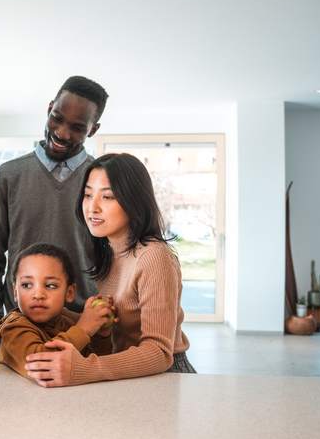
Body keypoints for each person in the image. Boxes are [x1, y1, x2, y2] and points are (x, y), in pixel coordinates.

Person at [24, 153, 195, 387]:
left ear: (133, 201)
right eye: (87, 195)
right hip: (130, 370)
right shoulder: (109, 251)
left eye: (107, 196)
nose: (92, 207)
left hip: (164, 376)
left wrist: (82, 369)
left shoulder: (154, 256)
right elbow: (116, 324)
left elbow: (159, 353)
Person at [0, 76, 108, 328]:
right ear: (50, 108)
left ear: (93, 130)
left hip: (85, 325)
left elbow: (114, 259)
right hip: (19, 322)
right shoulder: (9, 175)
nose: (62, 133)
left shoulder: (102, 179)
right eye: (57, 118)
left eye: (77, 127)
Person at [0, 243, 114, 378]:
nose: (38, 294)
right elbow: (41, 364)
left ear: (69, 293)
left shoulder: (67, 322)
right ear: (15, 292)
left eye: (51, 285)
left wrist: (101, 334)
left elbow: (93, 362)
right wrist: (84, 328)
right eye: (26, 285)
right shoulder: (13, 329)